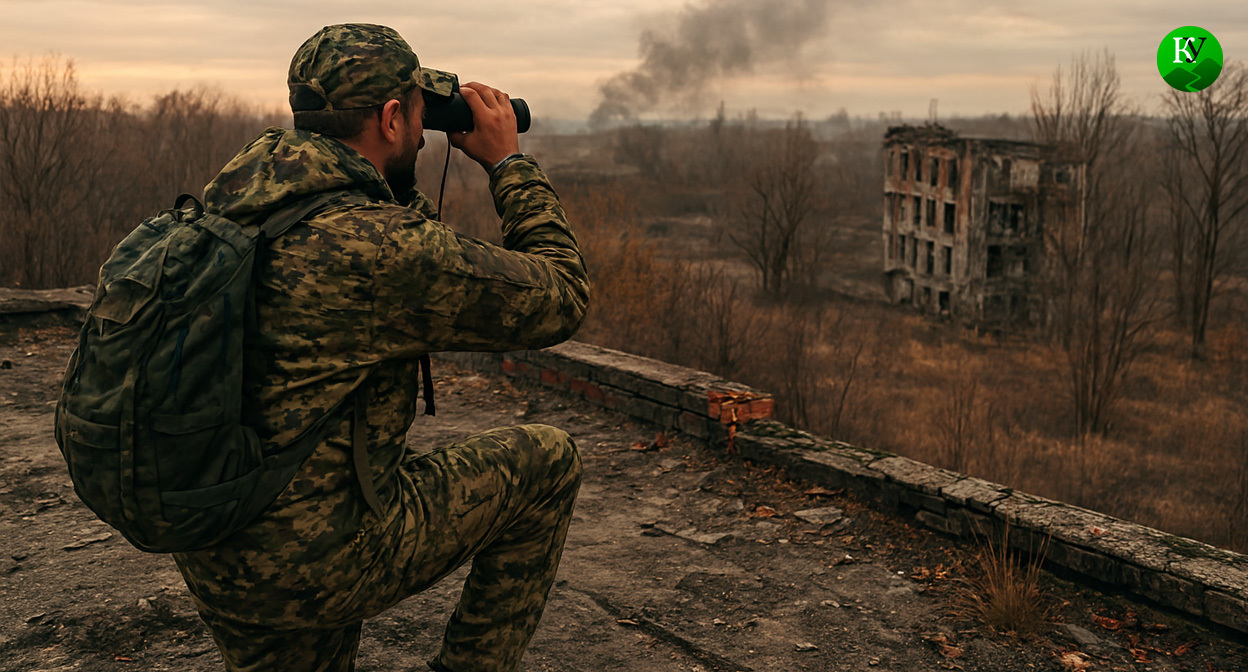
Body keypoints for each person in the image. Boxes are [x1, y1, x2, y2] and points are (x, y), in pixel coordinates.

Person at [170, 23, 590, 672]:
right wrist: (508, 163)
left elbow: (386, 242)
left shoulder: (240, 201)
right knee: (546, 462)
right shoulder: (378, 250)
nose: (425, 132)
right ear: (392, 117)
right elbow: (561, 294)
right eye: (418, 116)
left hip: (219, 541)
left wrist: (393, 168)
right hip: (318, 560)